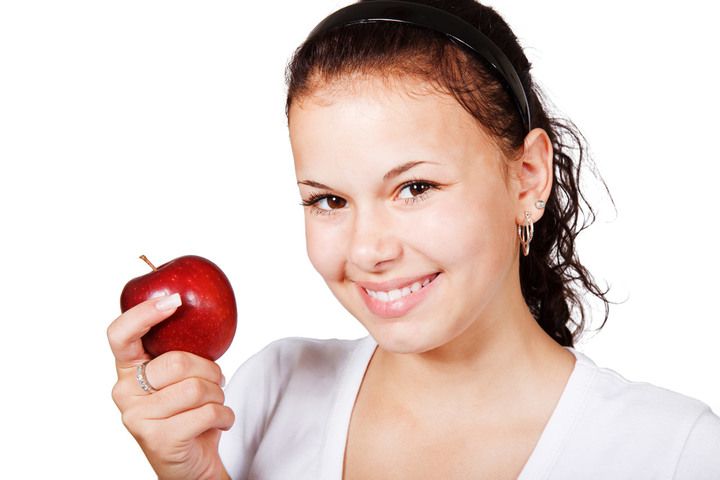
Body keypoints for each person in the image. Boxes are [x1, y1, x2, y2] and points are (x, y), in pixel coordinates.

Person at [107, 1, 720, 478]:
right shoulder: (268, 393)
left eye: (416, 188)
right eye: (329, 200)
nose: (369, 250)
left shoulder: (674, 452)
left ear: (527, 177)